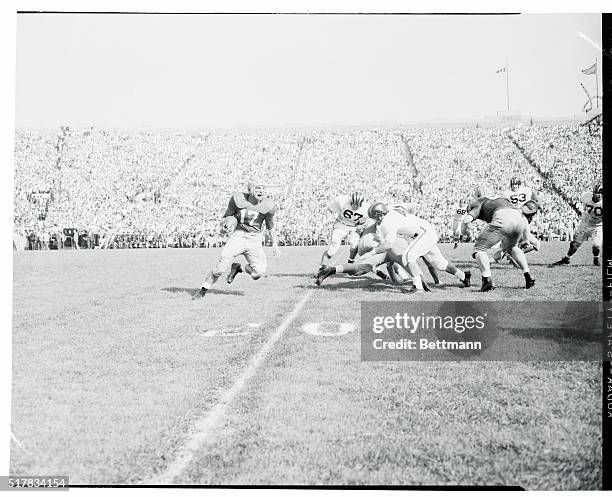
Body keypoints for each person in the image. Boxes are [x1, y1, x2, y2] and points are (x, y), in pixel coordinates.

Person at [194, 179, 280, 299]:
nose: (261, 191)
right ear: (250, 189)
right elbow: (227, 216)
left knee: (258, 272)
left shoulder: (268, 205)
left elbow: (270, 225)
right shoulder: (237, 199)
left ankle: (238, 269)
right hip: (238, 236)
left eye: (262, 188)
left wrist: (274, 244)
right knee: (220, 268)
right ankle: (202, 291)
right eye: (258, 188)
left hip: (254, 239)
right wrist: (227, 224)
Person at [458, 196, 535, 291]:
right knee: (513, 248)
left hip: (502, 218)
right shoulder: (502, 200)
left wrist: (465, 233)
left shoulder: (478, 204)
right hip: (520, 219)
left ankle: (487, 280)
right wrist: (526, 239)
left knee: (479, 249)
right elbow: (522, 217)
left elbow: (466, 220)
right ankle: (528, 274)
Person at [552, 183, 602, 266]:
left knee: (596, 245)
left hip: (598, 226)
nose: (598, 195)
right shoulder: (586, 197)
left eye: (600, 193)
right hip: (585, 224)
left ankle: (596, 259)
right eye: (597, 193)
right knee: (574, 244)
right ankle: (567, 258)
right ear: (593, 192)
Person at [319, 192, 368, 268]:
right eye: (353, 204)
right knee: (333, 249)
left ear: (361, 204)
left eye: (357, 205)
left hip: (353, 227)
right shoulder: (342, 200)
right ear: (351, 201)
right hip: (341, 225)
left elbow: (363, 223)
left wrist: (356, 228)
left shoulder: (365, 209)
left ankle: (350, 263)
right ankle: (322, 268)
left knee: (354, 246)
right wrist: (329, 219)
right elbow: (329, 209)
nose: (355, 206)